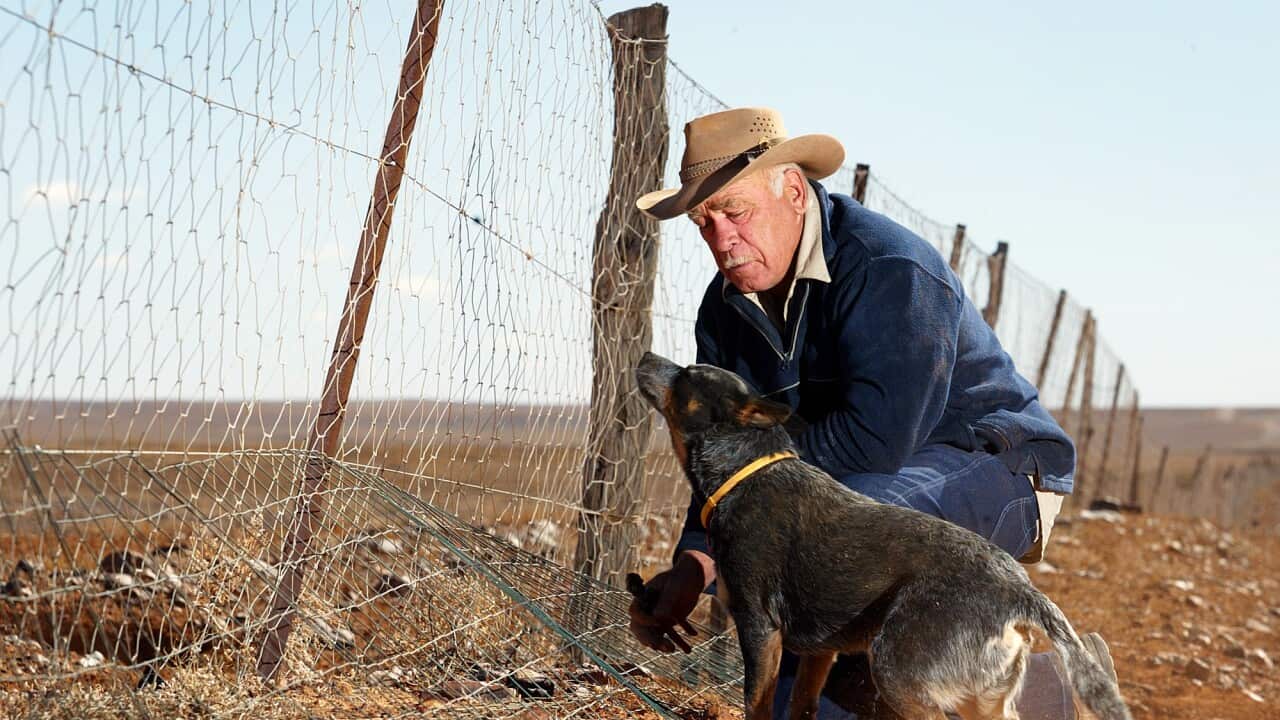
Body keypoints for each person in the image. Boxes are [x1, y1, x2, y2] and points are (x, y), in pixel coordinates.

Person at [628, 107, 1114, 719]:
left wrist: (753, 525)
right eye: (705, 221)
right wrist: (696, 560)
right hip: (863, 485)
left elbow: (874, 442)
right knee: (797, 671)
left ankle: (1019, 688)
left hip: (998, 465)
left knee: (832, 565)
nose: (722, 239)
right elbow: (721, 453)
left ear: (795, 191)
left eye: (737, 211)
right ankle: (1048, 692)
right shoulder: (724, 310)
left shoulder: (886, 267)